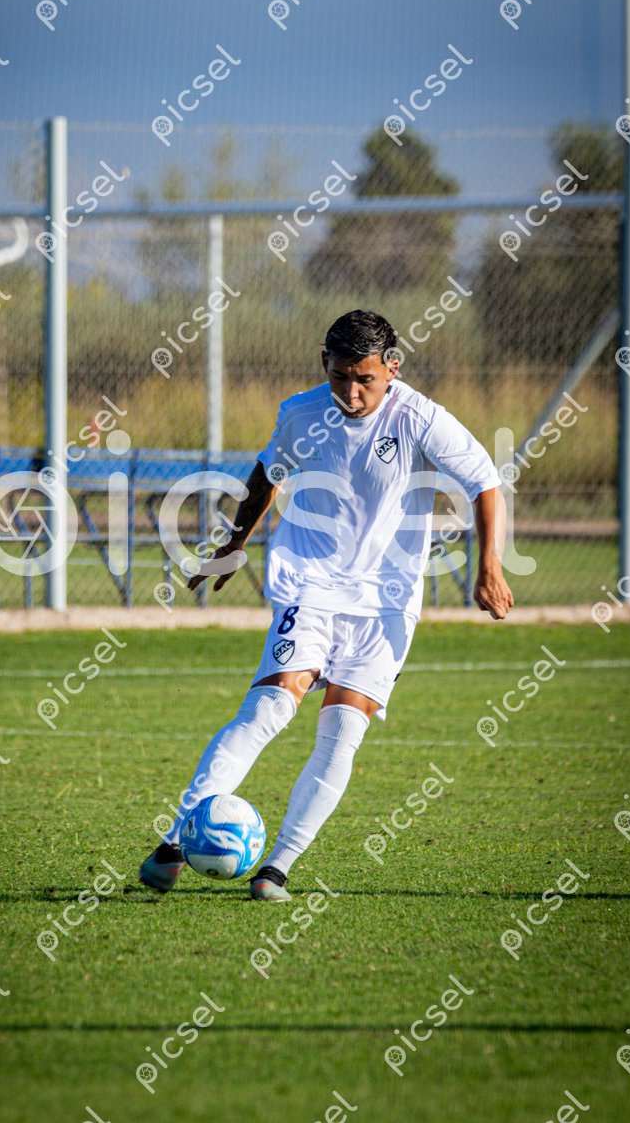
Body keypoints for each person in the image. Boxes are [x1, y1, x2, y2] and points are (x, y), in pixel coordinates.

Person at [139, 309, 513, 900]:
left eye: (365, 379)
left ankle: (275, 869)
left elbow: (484, 479)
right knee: (267, 709)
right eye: (340, 377)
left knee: (342, 730)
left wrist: (489, 564)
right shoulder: (302, 412)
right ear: (325, 365)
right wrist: (234, 545)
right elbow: (268, 473)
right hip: (310, 586)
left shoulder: (419, 418)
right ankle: (175, 841)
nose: (351, 393)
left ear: (392, 369)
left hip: (387, 603)